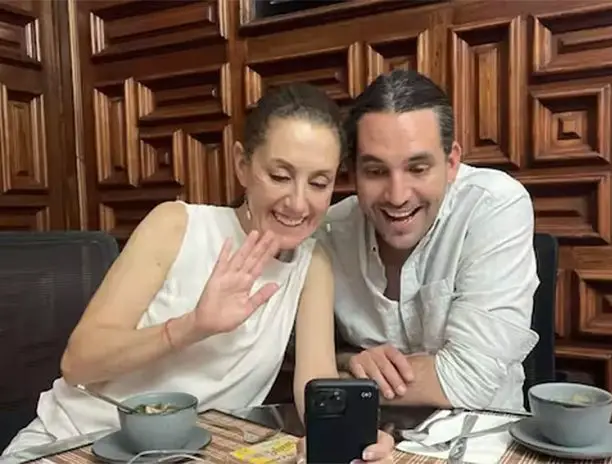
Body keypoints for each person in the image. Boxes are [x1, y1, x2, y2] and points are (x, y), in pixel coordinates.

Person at [3, 83, 393, 462]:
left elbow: (315, 387)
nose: (298, 202)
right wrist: (193, 326)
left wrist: (347, 433)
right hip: (73, 444)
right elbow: (77, 364)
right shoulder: (176, 225)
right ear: (243, 165)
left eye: (319, 183)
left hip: (192, 455)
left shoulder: (312, 264)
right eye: (279, 176)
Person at [317, 69, 540, 412]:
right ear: (352, 174)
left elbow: (469, 380)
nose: (397, 195)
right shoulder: (329, 231)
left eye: (418, 168)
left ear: (451, 163)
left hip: (481, 442)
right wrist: (348, 360)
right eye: (375, 171)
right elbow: (293, 355)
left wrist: (340, 382)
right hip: (367, 438)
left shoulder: (494, 204)